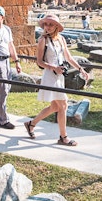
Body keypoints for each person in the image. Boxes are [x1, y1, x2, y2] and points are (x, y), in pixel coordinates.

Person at [24, 14, 88, 146]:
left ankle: (31, 124)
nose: (47, 27)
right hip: (50, 76)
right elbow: (40, 62)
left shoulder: (61, 39)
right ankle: (63, 137)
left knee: (54, 107)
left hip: (59, 76)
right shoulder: (43, 40)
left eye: (51, 24)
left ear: (57, 26)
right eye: (46, 24)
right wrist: (53, 67)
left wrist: (81, 69)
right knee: (63, 105)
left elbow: (69, 58)